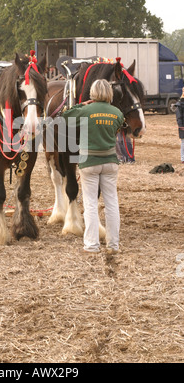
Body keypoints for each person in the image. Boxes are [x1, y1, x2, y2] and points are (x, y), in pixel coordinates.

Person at [62, 79, 124, 255]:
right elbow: (118, 128)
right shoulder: (117, 112)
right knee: (112, 202)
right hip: (110, 161)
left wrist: (82, 104)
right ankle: (113, 245)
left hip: (89, 162)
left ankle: (92, 245)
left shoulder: (85, 110)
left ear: (93, 93)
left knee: (90, 204)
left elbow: (65, 117)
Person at [175, 86, 184, 163]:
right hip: (183, 127)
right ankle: (183, 158)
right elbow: (179, 116)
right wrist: (181, 126)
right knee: (183, 142)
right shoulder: (179, 104)